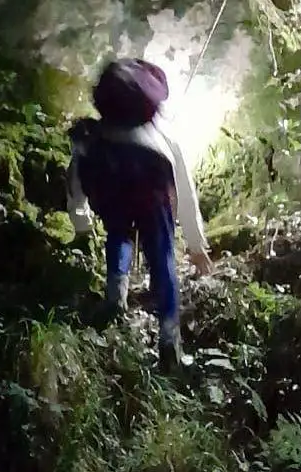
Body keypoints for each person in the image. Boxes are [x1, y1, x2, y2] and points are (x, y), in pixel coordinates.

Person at [67, 58, 214, 368]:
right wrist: (196, 244)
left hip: (109, 176)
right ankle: (169, 338)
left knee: (118, 232)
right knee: (162, 254)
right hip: (151, 174)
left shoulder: (97, 133)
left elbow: (76, 173)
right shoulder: (162, 131)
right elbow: (184, 185)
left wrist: (80, 222)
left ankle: (115, 296)